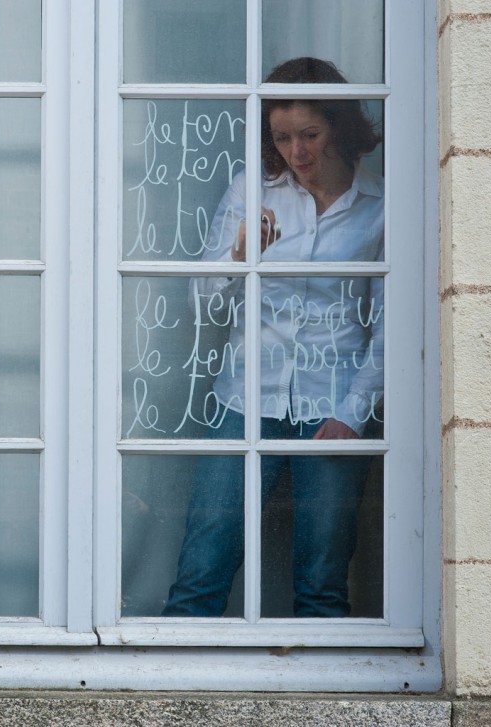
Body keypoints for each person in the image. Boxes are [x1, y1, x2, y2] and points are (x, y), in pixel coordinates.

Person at [162, 57, 384, 618]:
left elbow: (391, 324)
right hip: (245, 395)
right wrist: (239, 256)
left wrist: (354, 413)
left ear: (341, 125)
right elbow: (204, 305)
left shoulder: (382, 207)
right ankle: (166, 695)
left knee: (323, 581)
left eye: (310, 134)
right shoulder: (250, 189)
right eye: (282, 137)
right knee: (202, 565)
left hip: (333, 400)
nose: (297, 153)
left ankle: (328, 704)